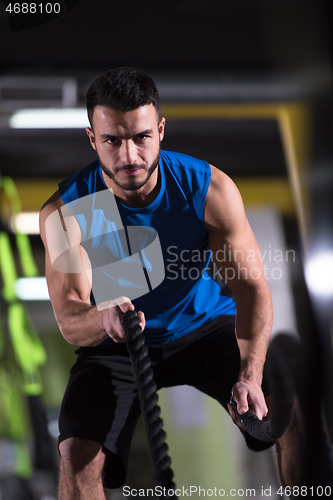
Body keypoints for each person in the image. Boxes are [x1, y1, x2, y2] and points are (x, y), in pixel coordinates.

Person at [39, 67, 287, 499]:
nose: (129, 155)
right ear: (92, 139)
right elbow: (70, 317)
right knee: (77, 456)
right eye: (112, 140)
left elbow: (250, 288)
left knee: (290, 413)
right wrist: (103, 320)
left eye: (141, 137)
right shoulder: (68, 212)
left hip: (206, 328)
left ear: (161, 130)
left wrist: (250, 373)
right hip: (118, 343)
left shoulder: (207, 189)